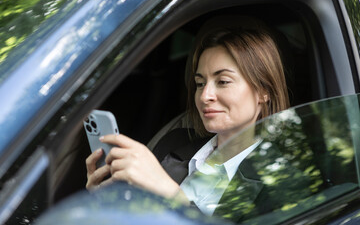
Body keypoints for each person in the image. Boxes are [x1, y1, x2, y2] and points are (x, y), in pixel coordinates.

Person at [85, 17, 290, 219]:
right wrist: (105, 202)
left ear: (264, 91)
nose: (204, 95)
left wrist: (172, 194)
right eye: (200, 83)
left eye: (223, 81)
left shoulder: (281, 179)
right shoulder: (172, 143)